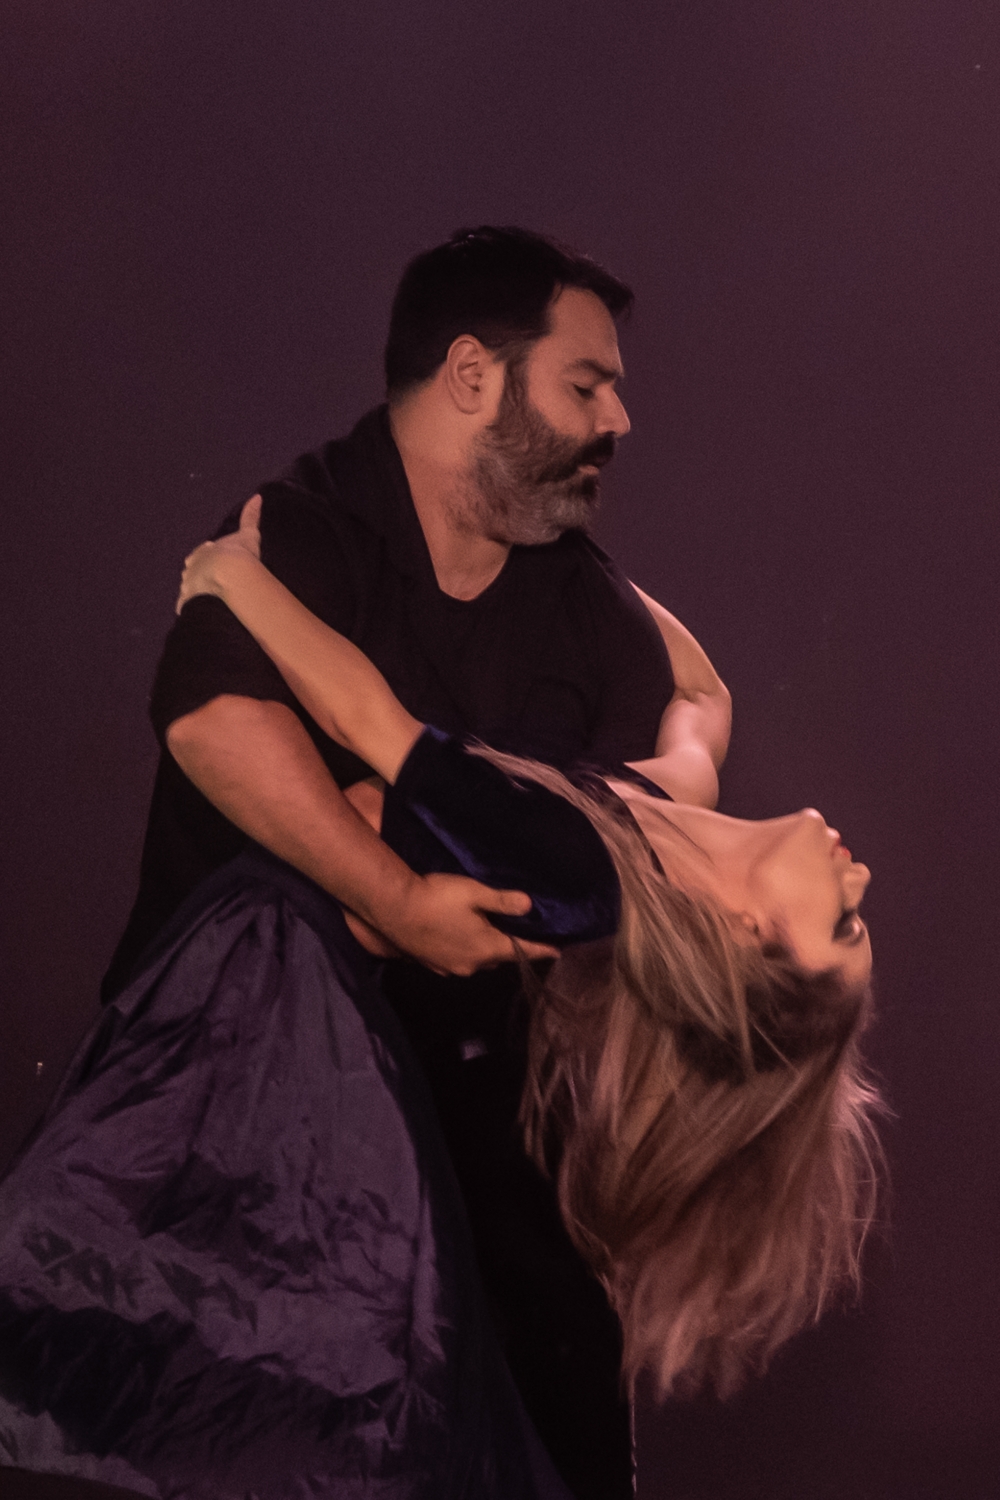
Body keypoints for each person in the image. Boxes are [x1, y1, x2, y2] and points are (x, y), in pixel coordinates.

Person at [0, 517, 880, 1500]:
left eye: (841, 925)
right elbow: (702, 694)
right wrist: (560, 568)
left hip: (268, 977)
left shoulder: (577, 877)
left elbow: (367, 724)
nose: (862, 878)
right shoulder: (657, 800)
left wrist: (230, 577)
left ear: (753, 943)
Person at [95, 226, 730, 1498]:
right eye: (587, 384)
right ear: (472, 375)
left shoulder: (574, 594)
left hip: (468, 1114)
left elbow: (675, 730)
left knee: (551, 1402)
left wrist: (646, 788)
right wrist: (391, 893)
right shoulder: (308, 526)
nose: (618, 420)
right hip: (249, 1104)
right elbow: (215, 725)